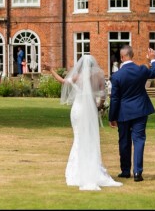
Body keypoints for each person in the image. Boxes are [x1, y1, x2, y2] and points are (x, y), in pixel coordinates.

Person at [46, 55, 123, 191]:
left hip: (78, 109)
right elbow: (103, 94)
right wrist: (99, 106)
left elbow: (63, 81)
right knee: (91, 138)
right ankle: (92, 169)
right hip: (91, 110)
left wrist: (51, 70)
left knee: (79, 138)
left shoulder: (77, 77)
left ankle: (78, 171)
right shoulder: (99, 76)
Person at [109, 45, 155, 182]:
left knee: (124, 141)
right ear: (132, 56)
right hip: (140, 110)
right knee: (139, 140)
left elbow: (114, 99)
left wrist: (112, 117)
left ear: (121, 57)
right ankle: (137, 172)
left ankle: (125, 171)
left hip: (123, 113)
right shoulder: (141, 70)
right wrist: (153, 59)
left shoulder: (116, 76)